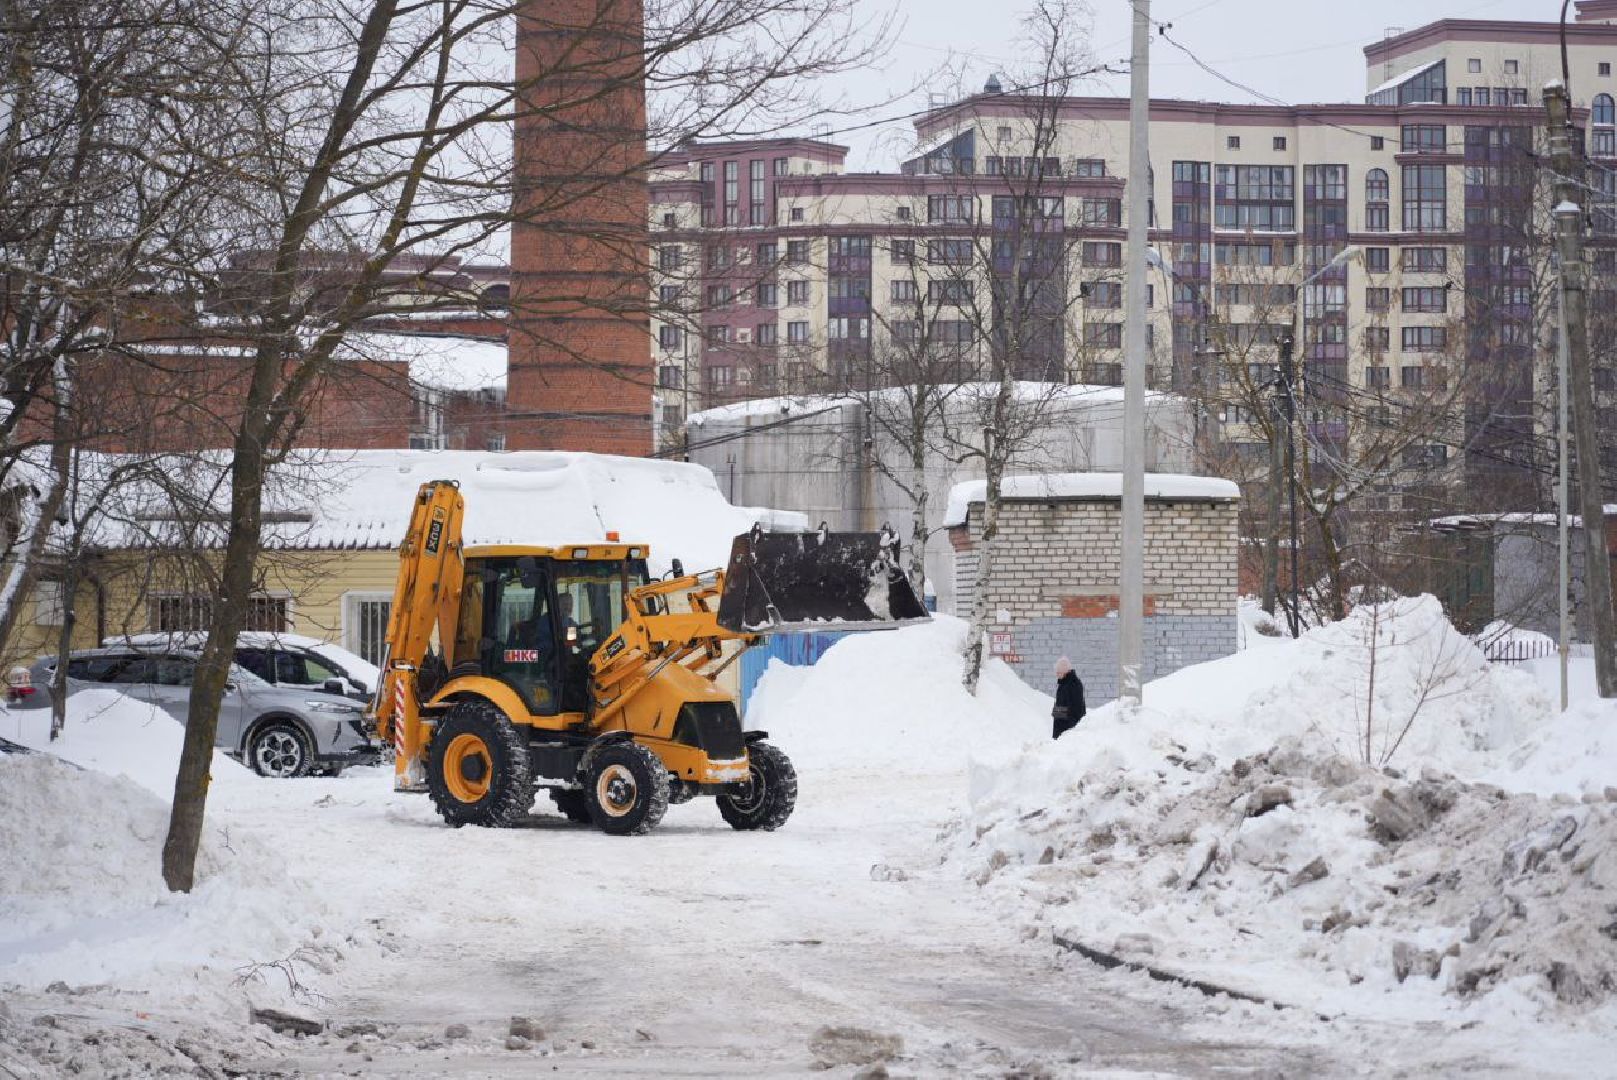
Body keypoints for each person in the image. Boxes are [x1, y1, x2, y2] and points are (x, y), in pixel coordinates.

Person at [1052, 656, 1085, 739]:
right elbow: (1061, 704)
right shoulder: (1063, 684)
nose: (1056, 674)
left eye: (1058, 672)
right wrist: (1056, 712)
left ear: (1064, 672)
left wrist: (1059, 713)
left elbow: (1077, 709)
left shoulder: (1074, 684)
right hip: (1061, 726)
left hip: (1068, 730)